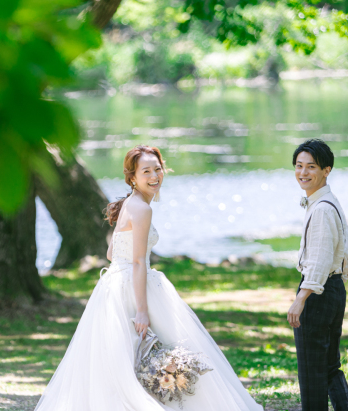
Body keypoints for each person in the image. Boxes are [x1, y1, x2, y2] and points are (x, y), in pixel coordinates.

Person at [35, 145, 262, 411]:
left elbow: (111, 253)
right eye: (146, 171)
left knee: (122, 358)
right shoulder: (142, 209)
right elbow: (139, 261)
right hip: (133, 285)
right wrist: (142, 310)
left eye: (157, 169)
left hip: (113, 285)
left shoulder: (127, 205)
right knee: (149, 349)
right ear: (132, 177)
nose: (155, 175)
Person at [287, 139, 348, 411]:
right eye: (299, 166)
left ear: (326, 170)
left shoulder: (323, 208)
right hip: (332, 288)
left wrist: (301, 298)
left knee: (312, 372)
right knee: (328, 367)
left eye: (311, 167)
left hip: (318, 293)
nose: (303, 173)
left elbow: (319, 259)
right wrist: (338, 280)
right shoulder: (328, 202)